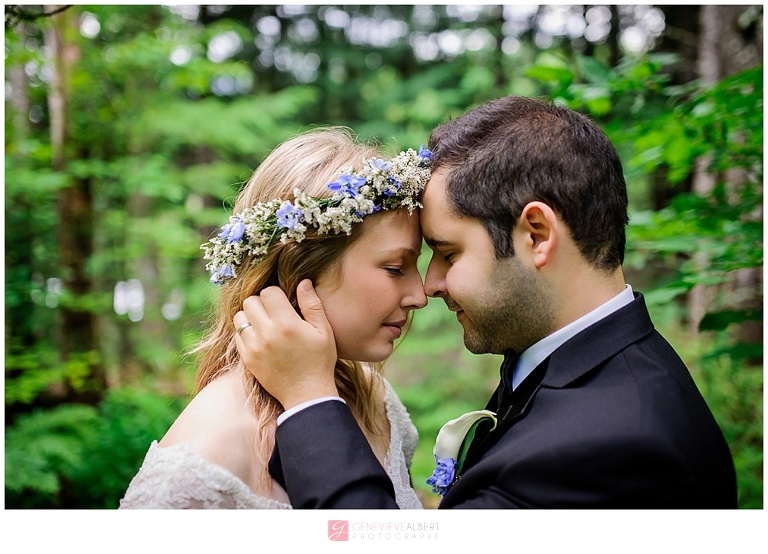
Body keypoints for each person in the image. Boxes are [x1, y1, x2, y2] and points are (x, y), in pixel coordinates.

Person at [236, 96, 738, 508]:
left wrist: (309, 398)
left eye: (449, 254)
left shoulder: (610, 445)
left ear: (537, 235)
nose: (429, 286)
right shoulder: (589, 364)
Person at [119, 128, 431, 509]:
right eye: (396, 267)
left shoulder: (376, 400)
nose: (420, 295)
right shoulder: (204, 456)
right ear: (300, 271)